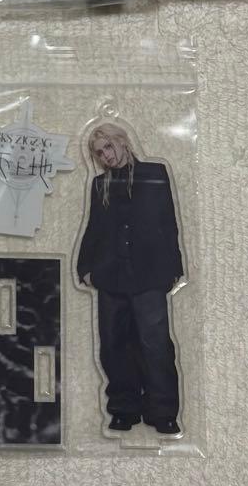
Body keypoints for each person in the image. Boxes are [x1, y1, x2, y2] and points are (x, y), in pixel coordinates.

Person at [76, 122, 184, 435]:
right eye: (99, 153)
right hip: (110, 276)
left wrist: (174, 266)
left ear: (122, 141)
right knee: (114, 345)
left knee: (156, 345)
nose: (106, 156)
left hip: (150, 274)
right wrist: (85, 267)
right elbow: (94, 228)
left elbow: (168, 222)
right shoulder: (100, 185)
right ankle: (124, 409)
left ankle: (163, 411)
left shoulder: (154, 174)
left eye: (109, 147)